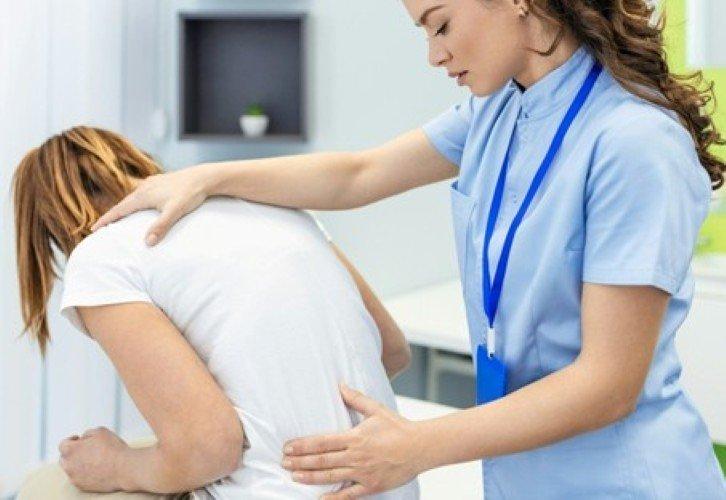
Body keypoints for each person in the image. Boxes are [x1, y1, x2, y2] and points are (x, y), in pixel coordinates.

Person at [92, 0, 726, 498]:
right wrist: (207, 178)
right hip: (520, 473)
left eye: (440, 25)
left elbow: (608, 385)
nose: (434, 54)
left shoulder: (634, 143)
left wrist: (416, 447)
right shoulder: (497, 111)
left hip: (626, 481)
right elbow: (358, 175)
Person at [12, 126, 419, 499]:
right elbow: (392, 351)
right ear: (135, 162)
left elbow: (208, 449)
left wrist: (115, 465)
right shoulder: (276, 205)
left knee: (50, 486)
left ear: (53, 225)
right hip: (395, 487)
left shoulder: (100, 255)